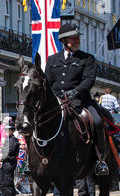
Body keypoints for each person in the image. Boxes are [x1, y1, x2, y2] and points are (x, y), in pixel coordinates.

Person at [45, 23, 109, 176]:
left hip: (80, 101)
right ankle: (35, 161)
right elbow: (48, 82)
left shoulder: (87, 59)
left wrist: (75, 92)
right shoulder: (52, 60)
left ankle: (100, 160)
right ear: (65, 41)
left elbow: (89, 80)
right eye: (73, 38)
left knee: (97, 121)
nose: (77, 40)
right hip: (57, 103)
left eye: (77, 37)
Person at [0, 121, 20, 196]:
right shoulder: (9, 140)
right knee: (4, 183)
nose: (6, 131)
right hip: (6, 162)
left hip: (9, 162)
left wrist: (3, 155)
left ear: (12, 130)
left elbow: (9, 151)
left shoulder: (13, 140)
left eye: (8, 130)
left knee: (8, 183)